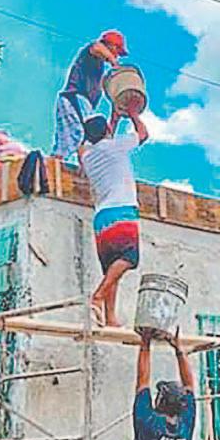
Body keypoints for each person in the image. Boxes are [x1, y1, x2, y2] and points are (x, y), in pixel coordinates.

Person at [81, 109, 149, 326]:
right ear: (108, 131)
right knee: (129, 258)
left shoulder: (87, 157)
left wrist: (114, 119)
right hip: (121, 211)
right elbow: (143, 134)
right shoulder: (116, 146)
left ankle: (111, 318)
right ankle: (98, 296)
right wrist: (133, 114)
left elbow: (97, 140)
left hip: (102, 218)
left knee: (112, 271)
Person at [52, 30, 128, 162]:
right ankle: (54, 164)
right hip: (75, 98)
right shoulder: (91, 52)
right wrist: (114, 62)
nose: (117, 55)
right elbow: (96, 47)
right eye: (117, 51)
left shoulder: (98, 66)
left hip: (83, 103)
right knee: (73, 136)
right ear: (111, 45)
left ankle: (83, 168)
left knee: (87, 139)